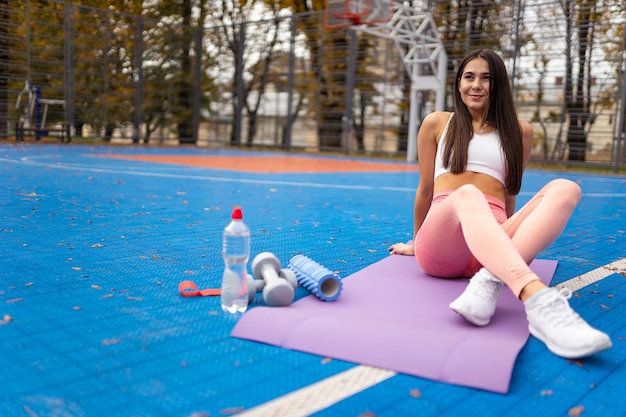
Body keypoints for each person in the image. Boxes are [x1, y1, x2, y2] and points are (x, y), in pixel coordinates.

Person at [388, 48, 611, 359]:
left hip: (488, 247)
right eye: (469, 77)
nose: (476, 84)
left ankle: (490, 279)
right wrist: (416, 241)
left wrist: (503, 245)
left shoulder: (520, 131)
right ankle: (537, 300)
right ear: (459, 83)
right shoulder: (437, 123)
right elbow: (425, 190)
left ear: (499, 85)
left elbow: (509, 195)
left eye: (486, 78)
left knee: (566, 188)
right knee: (467, 193)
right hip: (442, 247)